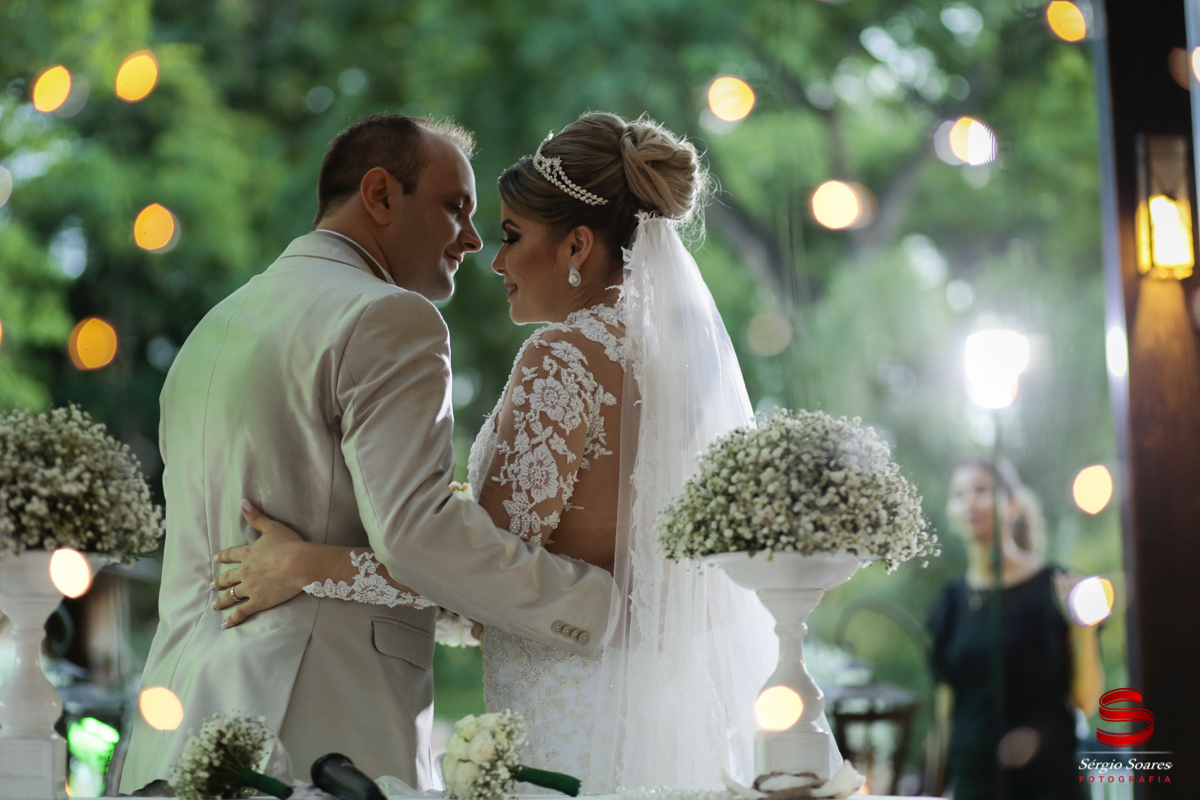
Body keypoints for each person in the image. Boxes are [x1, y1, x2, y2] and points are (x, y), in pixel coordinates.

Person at [210, 112, 829, 792]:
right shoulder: (674, 368)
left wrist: (307, 565)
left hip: (570, 720)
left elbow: (477, 575)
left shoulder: (561, 358)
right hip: (656, 705)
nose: (496, 260)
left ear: (576, 247)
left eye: (511, 236)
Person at [118, 114, 621, 793]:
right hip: (315, 732)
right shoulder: (389, 318)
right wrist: (593, 603)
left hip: (174, 732)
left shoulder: (214, 328)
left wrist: (313, 565)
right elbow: (417, 536)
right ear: (381, 195)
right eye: (455, 209)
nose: (473, 240)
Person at [927, 456, 1104, 800]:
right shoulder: (950, 603)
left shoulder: (1056, 587)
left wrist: (1082, 631)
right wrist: (933, 784)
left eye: (982, 491)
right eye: (959, 494)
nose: (969, 503)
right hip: (974, 783)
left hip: (1049, 783)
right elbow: (945, 709)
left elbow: (1088, 701)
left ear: (1012, 505)